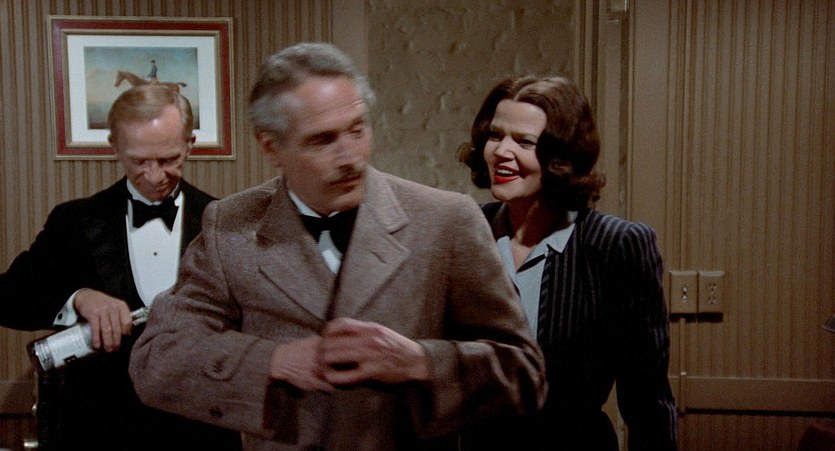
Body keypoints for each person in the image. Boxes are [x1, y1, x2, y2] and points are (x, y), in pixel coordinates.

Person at [128, 42, 547, 450]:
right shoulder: (231, 226)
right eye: (323, 140)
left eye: (357, 130)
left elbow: (525, 373)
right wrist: (271, 361)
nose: (350, 157)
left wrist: (420, 361)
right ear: (271, 147)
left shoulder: (445, 221)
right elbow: (157, 359)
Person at [0, 84, 241, 450]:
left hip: (202, 431)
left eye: (169, 159)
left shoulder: (226, 223)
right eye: (139, 161)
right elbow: (8, 298)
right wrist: (79, 298)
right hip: (98, 432)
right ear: (113, 146)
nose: (155, 176)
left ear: (190, 144)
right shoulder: (74, 221)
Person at [458, 76, 678, 450]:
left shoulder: (614, 245)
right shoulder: (464, 230)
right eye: (496, 135)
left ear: (560, 157)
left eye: (524, 141)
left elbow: (647, 398)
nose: (502, 151)